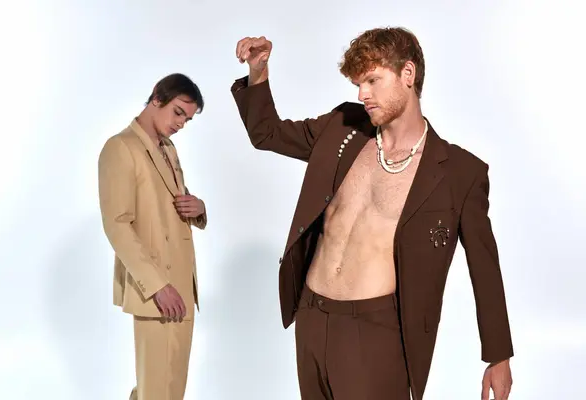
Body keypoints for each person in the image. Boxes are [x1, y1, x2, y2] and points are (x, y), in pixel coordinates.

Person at [231, 27, 513, 400]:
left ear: (407, 75)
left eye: (372, 80)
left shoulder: (459, 172)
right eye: (359, 84)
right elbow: (266, 134)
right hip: (312, 319)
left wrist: (498, 356)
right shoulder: (343, 128)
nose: (362, 94)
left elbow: (484, 265)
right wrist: (258, 73)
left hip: (376, 334)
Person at [98, 73, 207, 400]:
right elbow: (117, 224)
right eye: (178, 112)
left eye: (187, 119)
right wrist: (158, 286)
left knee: (171, 387)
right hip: (156, 287)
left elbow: (169, 203)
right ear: (157, 97)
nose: (181, 124)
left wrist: (198, 208)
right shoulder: (120, 148)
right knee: (156, 389)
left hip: (183, 284)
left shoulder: (168, 149)